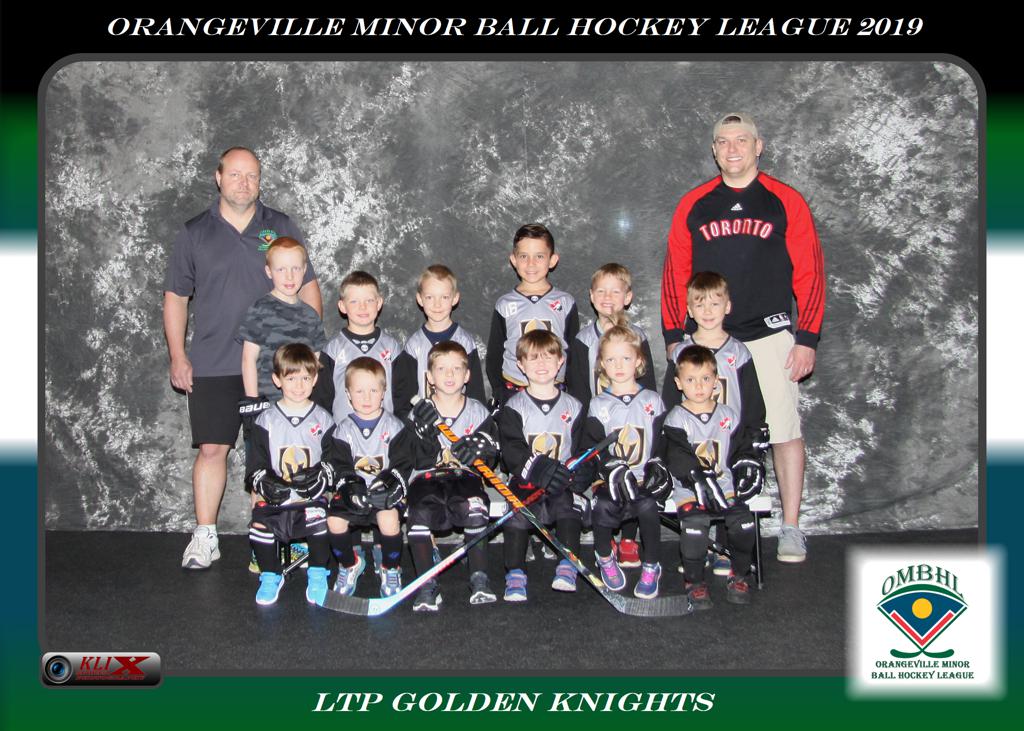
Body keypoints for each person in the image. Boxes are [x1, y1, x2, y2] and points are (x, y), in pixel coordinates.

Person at [660, 113, 825, 563]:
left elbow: (810, 272)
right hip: (709, 339)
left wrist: (807, 337)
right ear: (714, 150)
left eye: (741, 140)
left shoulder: (785, 200)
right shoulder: (695, 203)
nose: (732, 149)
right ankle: (718, 533)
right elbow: (675, 272)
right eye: (723, 142)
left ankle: (791, 528)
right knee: (708, 430)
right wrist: (674, 334)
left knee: (783, 430)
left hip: (769, 335)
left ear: (758, 146)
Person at [164, 146, 322, 570]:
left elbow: (308, 286)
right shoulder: (194, 232)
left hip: (275, 368)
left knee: (275, 456)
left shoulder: (280, 225)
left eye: (251, 175)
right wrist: (178, 355)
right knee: (212, 449)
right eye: (235, 174)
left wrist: (306, 354)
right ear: (218, 178)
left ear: (259, 180)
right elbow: (176, 297)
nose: (243, 182)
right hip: (214, 361)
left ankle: (276, 539)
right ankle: (205, 536)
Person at [661, 271, 767, 576]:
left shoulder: (739, 352)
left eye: (715, 303)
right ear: (689, 310)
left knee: (728, 486)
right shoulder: (681, 353)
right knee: (696, 489)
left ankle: (723, 549)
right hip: (692, 443)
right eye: (700, 304)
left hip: (728, 441)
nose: (707, 311)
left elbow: (753, 404)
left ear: (728, 306)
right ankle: (702, 547)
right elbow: (669, 404)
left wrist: (751, 449)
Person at [567, 262, 657, 568]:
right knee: (606, 483)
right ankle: (605, 542)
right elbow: (578, 392)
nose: (608, 298)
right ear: (592, 297)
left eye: (615, 292)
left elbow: (649, 386)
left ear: (628, 297)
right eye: (602, 292)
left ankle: (629, 539)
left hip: (633, 427)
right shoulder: (583, 340)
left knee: (633, 476)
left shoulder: (638, 336)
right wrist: (585, 438)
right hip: (599, 427)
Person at [496, 330, 595, 601]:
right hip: (525, 482)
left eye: (549, 357)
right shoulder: (514, 407)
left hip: (561, 482)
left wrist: (583, 470)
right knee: (516, 512)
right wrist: (539, 470)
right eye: (533, 358)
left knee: (569, 505)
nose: (541, 364)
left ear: (560, 361)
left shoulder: (574, 406)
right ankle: (515, 573)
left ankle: (567, 564)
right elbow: (512, 451)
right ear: (520, 365)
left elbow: (582, 449)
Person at [662, 346, 764, 608]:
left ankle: (739, 575)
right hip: (690, 490)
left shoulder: (729, 416)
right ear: (678, 383)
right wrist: (697, 478)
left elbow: (741, 451)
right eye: (691, 379)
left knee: (744, 525)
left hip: (725, 486)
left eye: (705, 378)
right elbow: (677, 456)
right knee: (695, 528)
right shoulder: (676, 418)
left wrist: (748, 465)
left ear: (716, 381)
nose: (699, 386)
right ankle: (695, 582)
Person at [405, 342, 500, 611]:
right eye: (442, 369)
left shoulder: (478, 412)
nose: (449, 375)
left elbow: (491, 457)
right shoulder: (418, 413)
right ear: (429, 376)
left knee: (475, 507)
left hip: (464, 477)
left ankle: (479, 578)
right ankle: (427, 584)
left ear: (467, 375)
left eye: (457, 369)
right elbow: (413, 458)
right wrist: (425, 438)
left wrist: (479, 452)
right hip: (426, 478)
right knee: (419, 513)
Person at [582, 326, 672, 599]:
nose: (618, 366)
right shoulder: (598, 404)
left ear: (639, 360)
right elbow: (593, 446)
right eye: (611, 359)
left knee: (647, 506)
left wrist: (659, 465)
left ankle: (651, 565)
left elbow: (663, 441)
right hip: (611, 481)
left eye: (625, 358)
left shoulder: (653, 400)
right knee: (603, 506)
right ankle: (604, 556)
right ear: (602, 364)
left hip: (642, 479)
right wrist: (609, 467)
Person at [244, 344, 335, 606]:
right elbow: (255, 464)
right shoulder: (265, 420)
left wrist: (323, 475)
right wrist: (264, 481)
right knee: (260, 523)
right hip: (278, 498)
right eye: (291, 378)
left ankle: (317, 574)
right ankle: (271, 575)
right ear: (277, 380)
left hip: (310, 499)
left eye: (305, 378)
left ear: (315, 379)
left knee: (322, 520)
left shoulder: (324, 420)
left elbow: (334, 461)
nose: (299, 386)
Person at [326, 358, 414, 598]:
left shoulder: (395, 427)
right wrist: (349, 484)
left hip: (383, 495)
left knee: (388, 519)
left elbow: (403, 464)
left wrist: (391, 482)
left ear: (383, 392)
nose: (367, 397)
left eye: (373, 391)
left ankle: (390, 568)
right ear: (348, 394)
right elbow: (339, 465)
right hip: (353, 494)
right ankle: (349, 564)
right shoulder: (343, 430)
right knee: (334, 521)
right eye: (359, 391)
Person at [487, 223, 579, 404]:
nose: (531, 263)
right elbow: (494, 355)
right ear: (513, 260)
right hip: (513, 389)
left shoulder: (565, 303)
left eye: (539, 256)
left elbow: (574, 355)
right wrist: (499, 391)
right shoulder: (505, 305)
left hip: (555, 390)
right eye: (524, 256)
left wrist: (573, 392)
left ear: (552, 260)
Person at [392, 265, 486, 418]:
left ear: (455, 298)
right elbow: (404, 399)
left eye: (444, 297)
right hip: (424, 426)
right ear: (420, 299)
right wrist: (411, 425)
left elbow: (476, 393)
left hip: (461, 424)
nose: (437, 304)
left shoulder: (465, 342)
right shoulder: (414, 346)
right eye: (430, 297)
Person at [313, 271, 401, 422]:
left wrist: (399, 431)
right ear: (342, 306)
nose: (363, 307)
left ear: (379, 303)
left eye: (369, 300)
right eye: (354, 301)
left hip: (385, 433)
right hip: (343, 434)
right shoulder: (333, 349)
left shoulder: (391, 347)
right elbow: (321, 401)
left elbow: (403, 397)